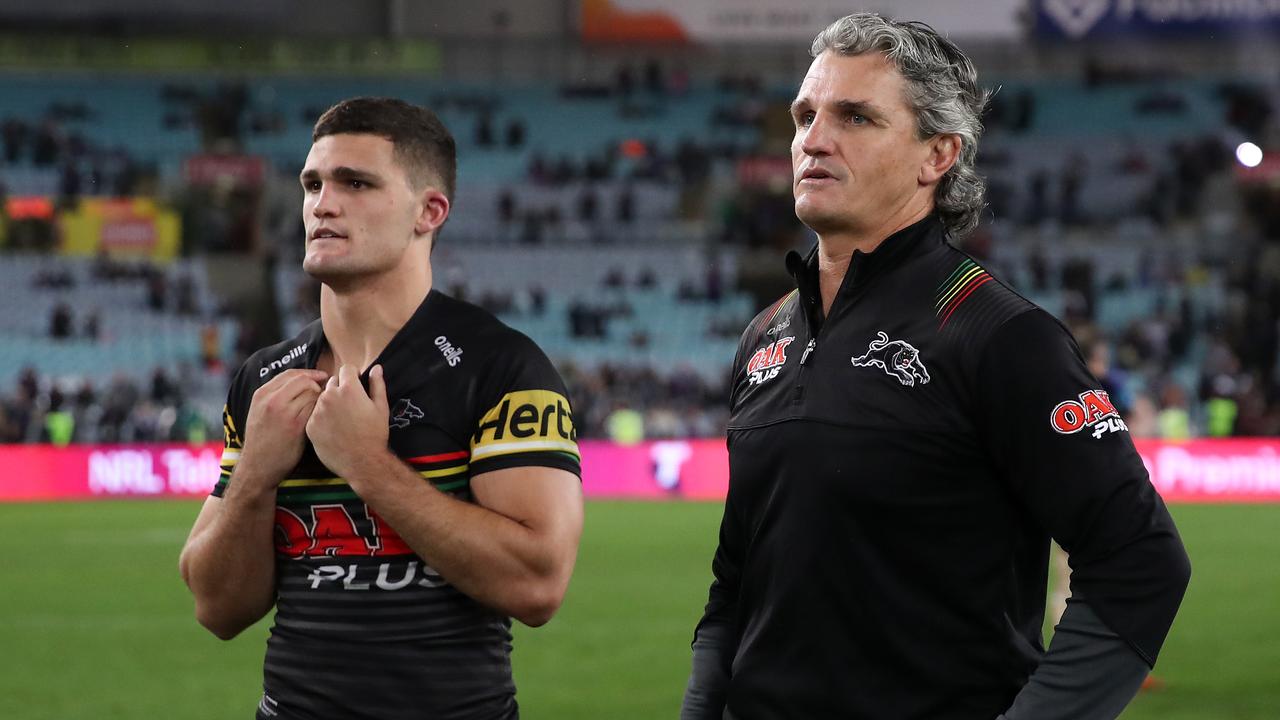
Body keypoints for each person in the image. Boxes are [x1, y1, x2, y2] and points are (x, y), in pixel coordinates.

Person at [681, 15, 1190, 720]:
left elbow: (1141, 561)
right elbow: (735, 582)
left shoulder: (1001, 336)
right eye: (805, 115)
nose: (812, 140)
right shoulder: (764, 335)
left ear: (938, 155)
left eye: (855, 117)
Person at [179, 97, 584, 720]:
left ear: (430, 211)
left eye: (356, 183)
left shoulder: (502, 369)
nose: (323, 203)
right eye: (312, 183)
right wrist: (255, 478)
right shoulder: (263, 380)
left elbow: (536, 586)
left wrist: (367, 465)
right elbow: (217, 608)